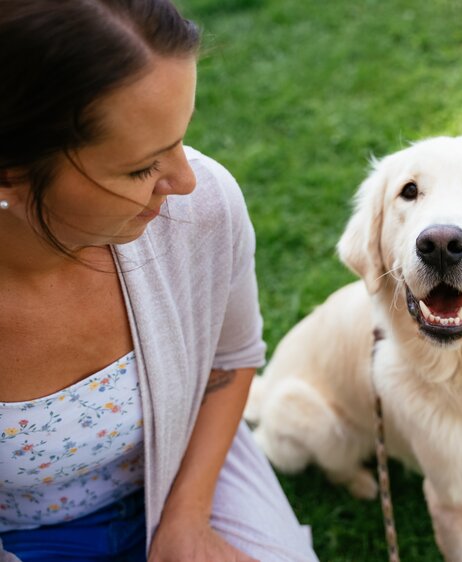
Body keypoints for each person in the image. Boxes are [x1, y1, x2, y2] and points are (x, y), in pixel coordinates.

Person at [0, 1, 319, 561]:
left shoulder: (202, 209)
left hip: (186, 473)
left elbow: (230, 360)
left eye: (181, 137)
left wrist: (187, 522)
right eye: (141, 167)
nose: (187, 180)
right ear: (11, 173)